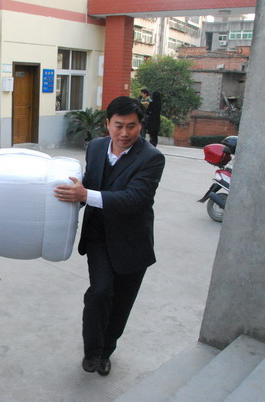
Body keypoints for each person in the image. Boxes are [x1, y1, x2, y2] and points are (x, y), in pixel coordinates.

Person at [54, 96, 165, 377]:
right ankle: (92, 351)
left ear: (141, 125)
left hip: (132, 242)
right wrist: (68, 197)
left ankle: (106, 352)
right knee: (100, 292)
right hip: (98, 236)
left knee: (121, 303)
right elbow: (89, 185)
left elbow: (134, 199)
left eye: (131, 126)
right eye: (119, 125)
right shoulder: (96, 147)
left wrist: (85, 195)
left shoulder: (152, 158)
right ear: (108, 124)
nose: (124, 133)